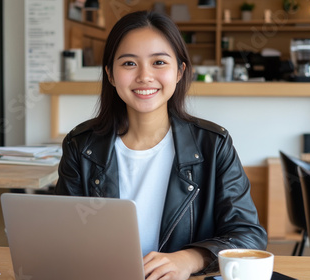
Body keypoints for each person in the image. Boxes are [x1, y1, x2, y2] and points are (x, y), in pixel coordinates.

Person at [55, 10, 267, 280]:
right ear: (110, 74)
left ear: (180, 71)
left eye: (158, 62)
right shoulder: (80, 146)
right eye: (129, 64)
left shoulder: (214, 145)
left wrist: (190, 259)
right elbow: (61, 236)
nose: (144, 76)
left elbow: (248, 235)